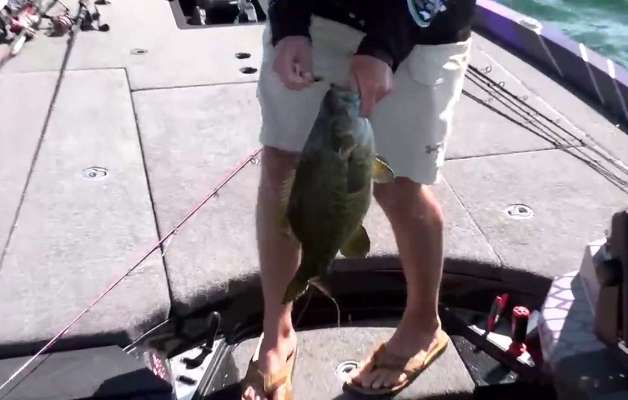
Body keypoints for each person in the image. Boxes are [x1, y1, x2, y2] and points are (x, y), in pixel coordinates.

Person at [241, 1, 476, 399]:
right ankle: (275, 334)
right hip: (317, 19)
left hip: (417, 30)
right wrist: (289, 23)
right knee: (282, 166)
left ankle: (423, 324)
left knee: (397, 187)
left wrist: (383, 47)